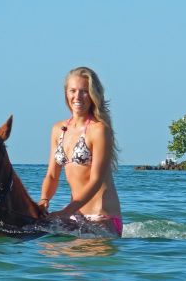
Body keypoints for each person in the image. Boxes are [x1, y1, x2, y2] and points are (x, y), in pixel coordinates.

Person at [38, 66, 123, 236]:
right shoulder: (58, 129)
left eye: (84, 91)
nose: (77, 97)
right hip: (76, 216)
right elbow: (52, 176)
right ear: (66, 93)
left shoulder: (99, 129)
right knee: (42, 244)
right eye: (73, 91)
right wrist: (44, 200)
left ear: (93, 95)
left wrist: (64, 212)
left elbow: (96, 180)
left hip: (102, 218)